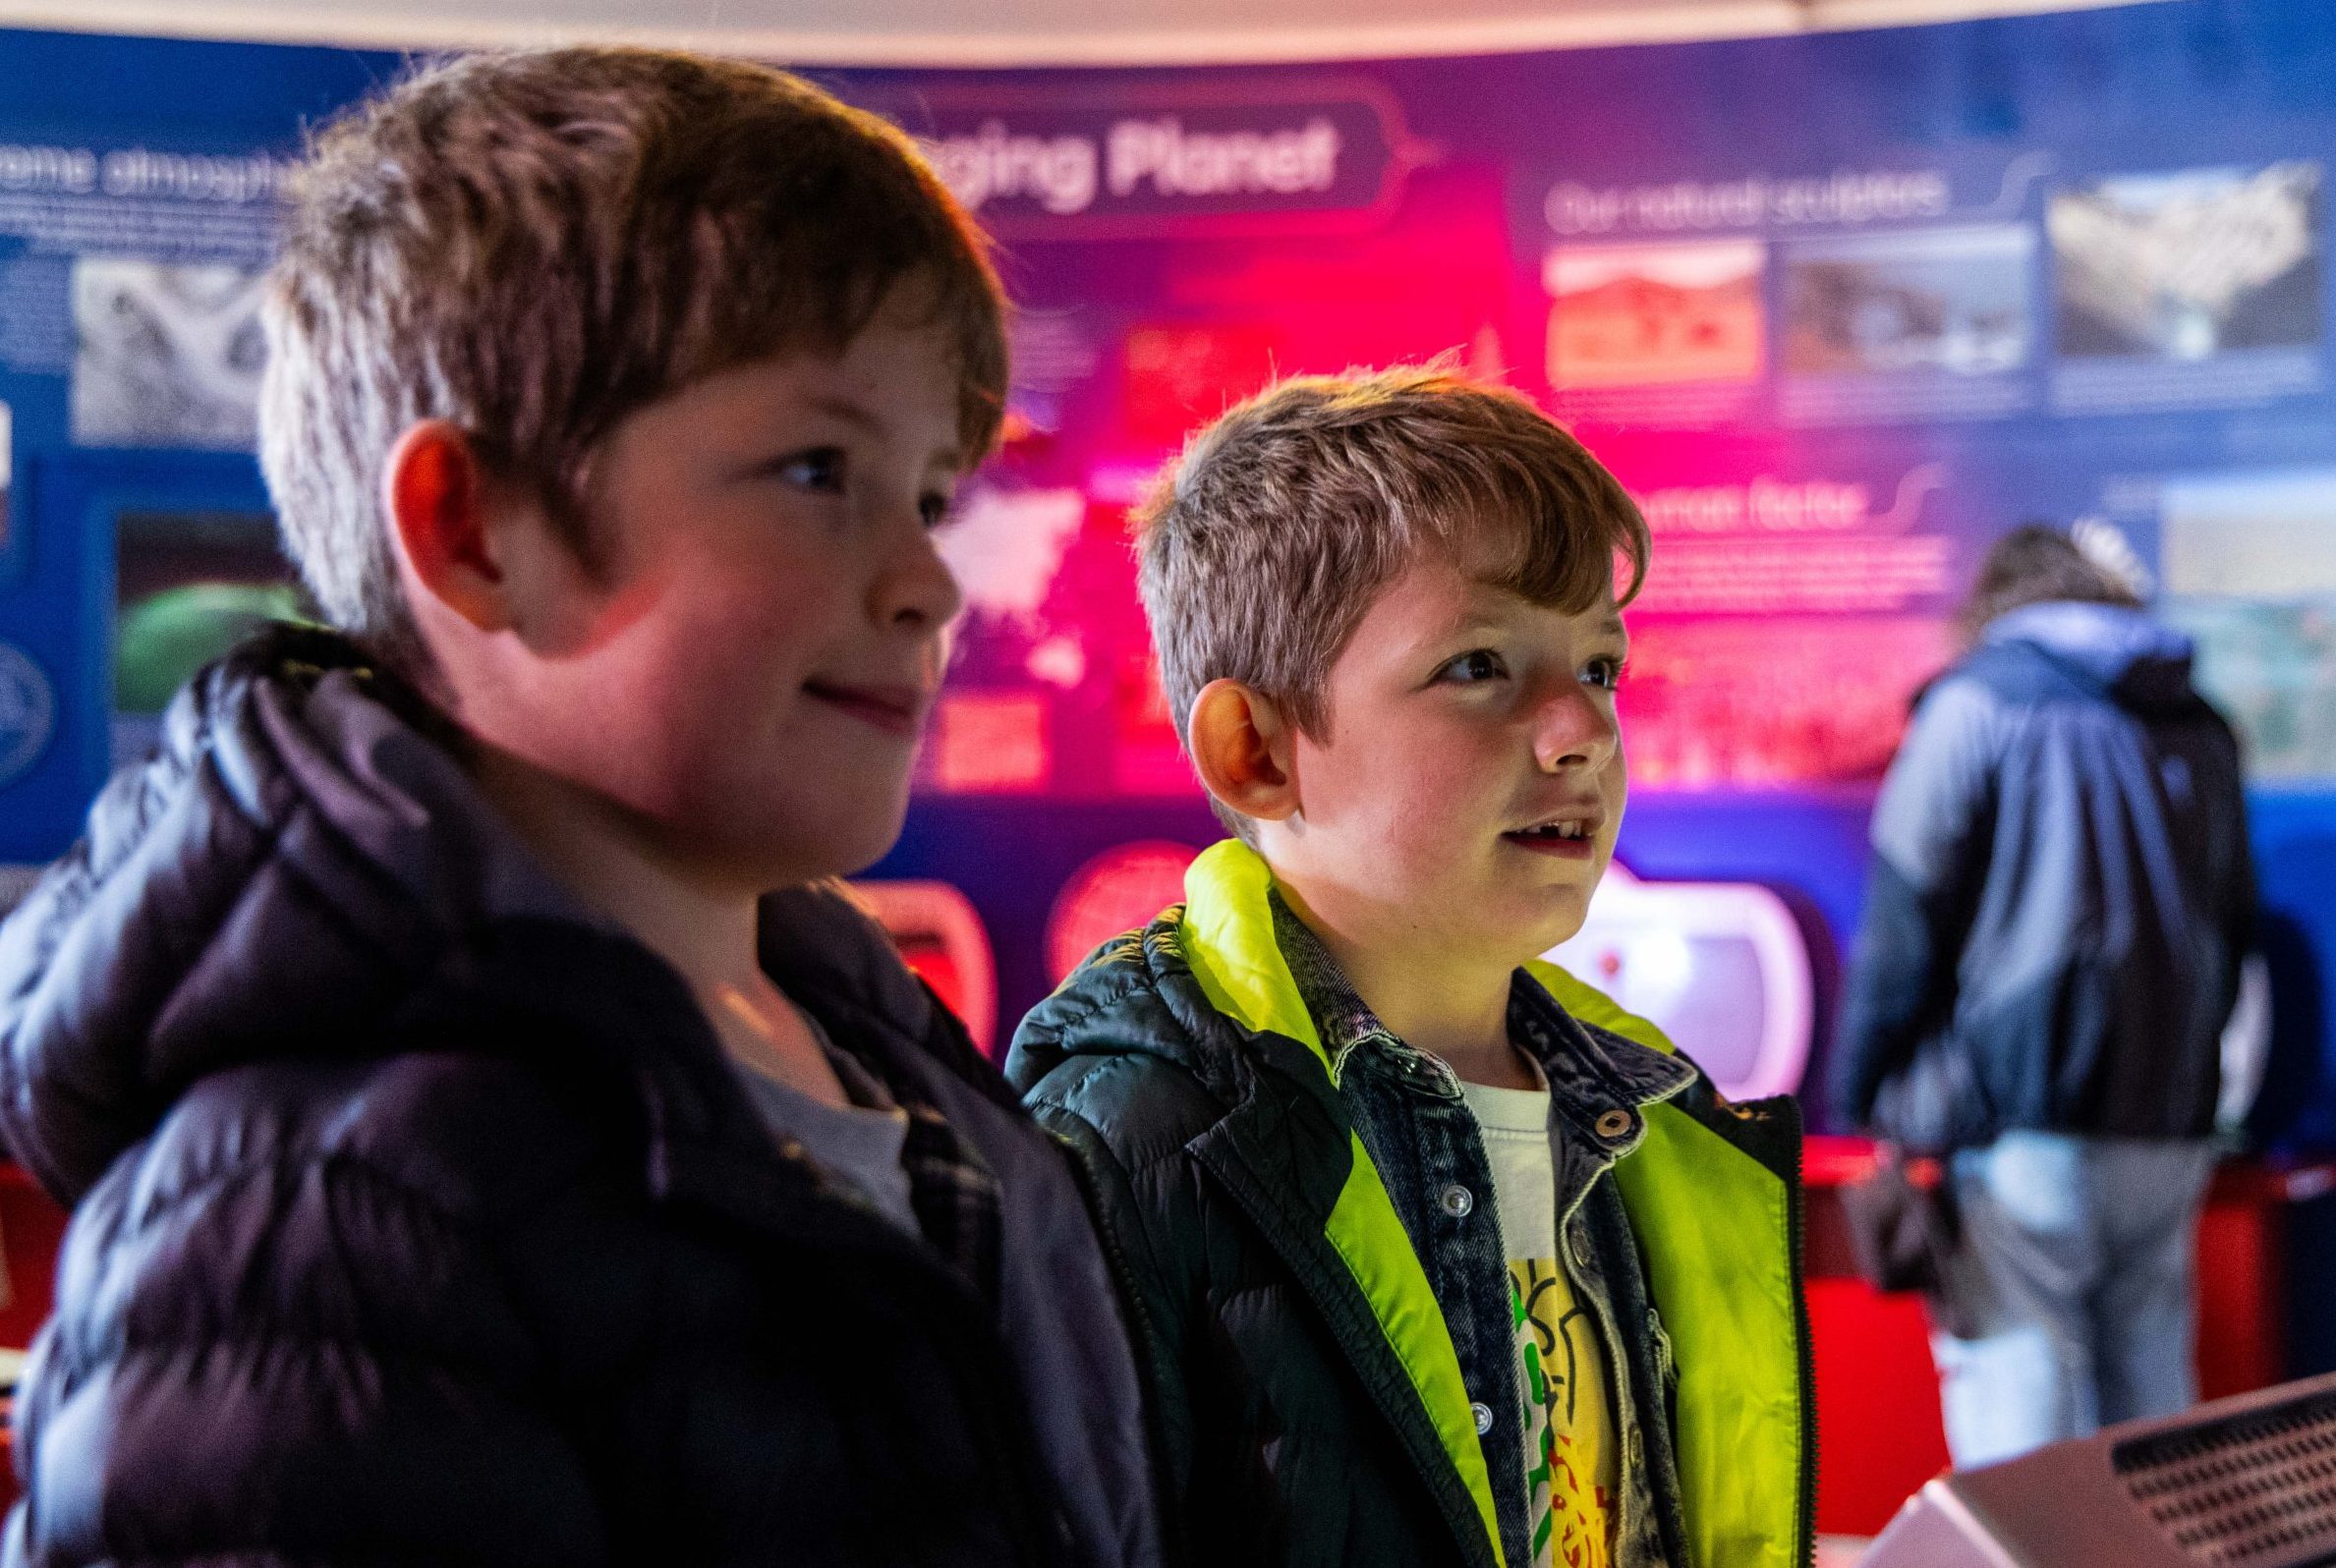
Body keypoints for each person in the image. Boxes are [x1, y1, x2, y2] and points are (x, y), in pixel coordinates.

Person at [0, 48, 1162, 1568]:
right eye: (818, 470)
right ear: (475, 531)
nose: (928, 582)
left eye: (929, 494)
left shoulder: (886, 1059)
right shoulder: (317, 1225)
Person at [1007, 367, 1810, 1568]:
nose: (1581, 731)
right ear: (1257, 752)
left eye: (1598, 667)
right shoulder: (1121, 1140)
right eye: (1479, 666)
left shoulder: (1654, 1121)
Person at [1832, 524, 2255, 1469]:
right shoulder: (2197, 718)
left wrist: (1859, 1089)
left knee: (2017, 1400)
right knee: (2152, 1408)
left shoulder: (1978, 700)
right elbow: (2234, 923)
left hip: (2018, 1116)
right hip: (2171, 1119)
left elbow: (1904, 909)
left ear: (1997, 604)